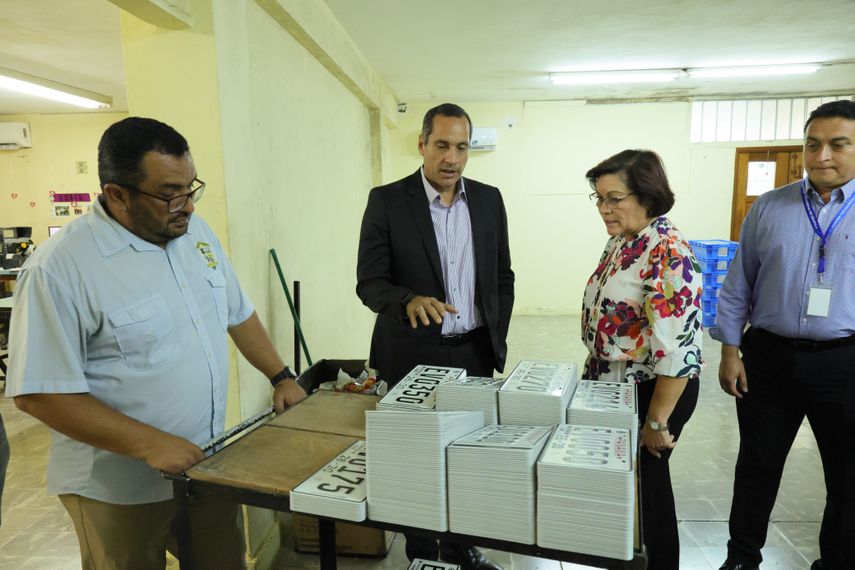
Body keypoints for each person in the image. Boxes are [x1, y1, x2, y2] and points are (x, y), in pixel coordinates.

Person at [5, 117, 307, 570]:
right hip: (117, 492)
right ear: (117, 194)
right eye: (169, 192)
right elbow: (38, 392)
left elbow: (236, 312)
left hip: (206, 465)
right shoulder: (60, 270)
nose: (185, 204)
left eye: (191, 187)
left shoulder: (196, 235)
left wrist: (280, 375)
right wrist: (150, 444)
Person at [357, 103, 513, 570]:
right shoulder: (387, 200)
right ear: (422, 144)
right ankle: (421, 552)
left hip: (472, 354)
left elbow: (502, 273)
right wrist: (406, 300)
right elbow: (369, 281)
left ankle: (462, 546)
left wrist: (495, 327)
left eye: (462, 147)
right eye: (442, 145)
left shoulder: (488, 200)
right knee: (416, 461)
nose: (452, 158)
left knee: (466, 459)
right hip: (411, 354)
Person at [713, 99, 855, 570]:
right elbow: (738, 284)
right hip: (767, 359)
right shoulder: (771, 207)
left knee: (847, 476)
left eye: (838, 144)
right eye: (812, 145)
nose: (822, 156)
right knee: (756, 466)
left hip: (844, 361)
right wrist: (730, 350)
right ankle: (741, 559)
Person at [581, 149, 702, 570]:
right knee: (623, 487)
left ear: (647, 196)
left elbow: (679, 351)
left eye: (614, 198)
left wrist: (656, 422)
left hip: (653, 391)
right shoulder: (624, 240)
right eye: (598, 198)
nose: (604, 209)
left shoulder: (666, 250)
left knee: (648, 488)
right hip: (615, 383)